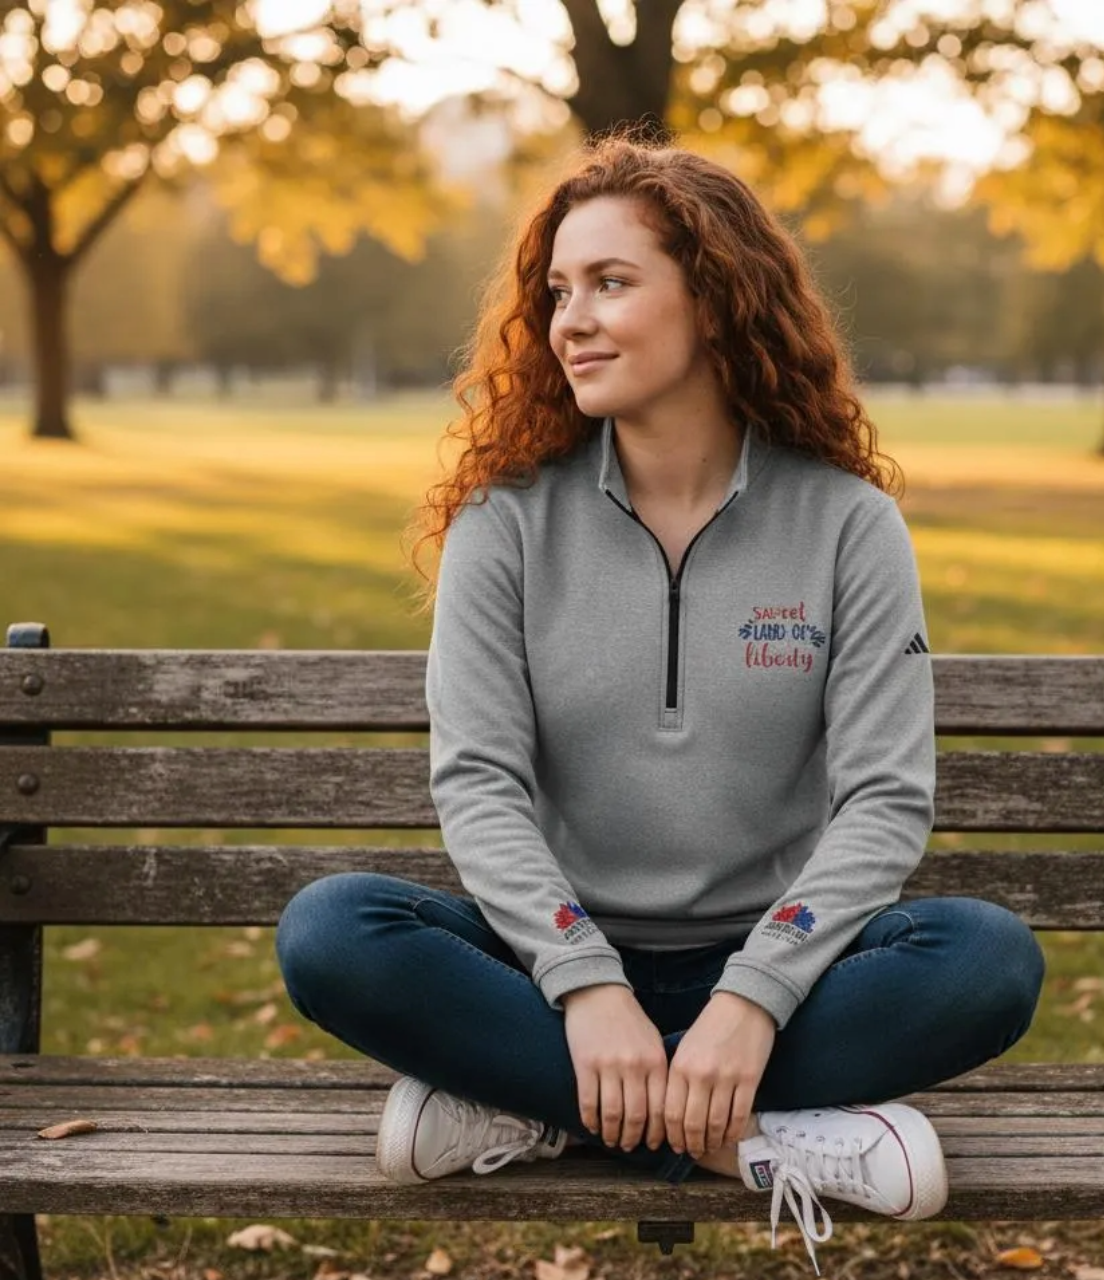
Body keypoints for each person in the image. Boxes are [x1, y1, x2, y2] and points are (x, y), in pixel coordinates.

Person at [276, 135, 1045, 1274]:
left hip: (784, 964)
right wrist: (584, 983)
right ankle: (759, 1137)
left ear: (717, 297)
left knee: (985, 959)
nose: (569, 319)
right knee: (331, 931)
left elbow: (883, 800)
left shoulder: (846, 524)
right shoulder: (505, 522)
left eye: (610, 283)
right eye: (556, 292)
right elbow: (478, 782)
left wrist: (754, 994)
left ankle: (539, 1106)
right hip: (553, 961)